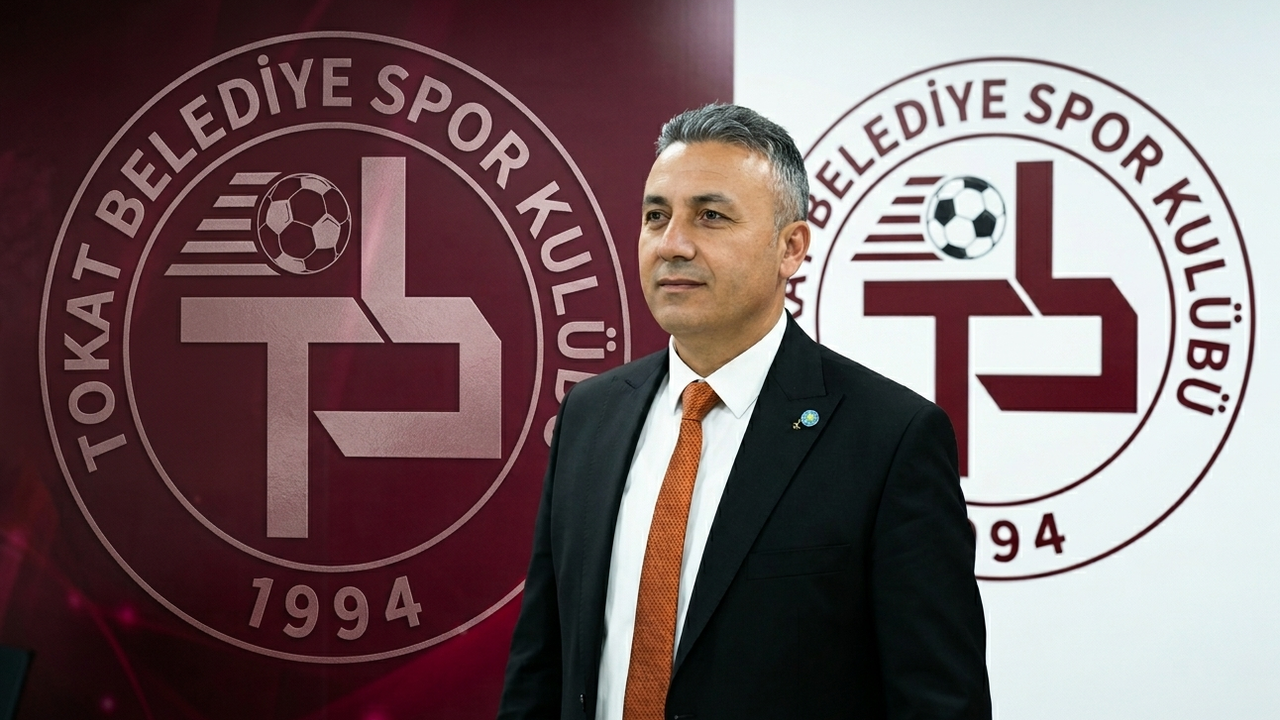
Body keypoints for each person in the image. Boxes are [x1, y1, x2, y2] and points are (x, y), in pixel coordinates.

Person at [497, 104, 991, 720]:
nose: (672, 244)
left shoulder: (890, 440)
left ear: (791, 248)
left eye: (711, 216)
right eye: (656, 216)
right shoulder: (590, 416)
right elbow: (541, 665)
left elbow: (940, 700)